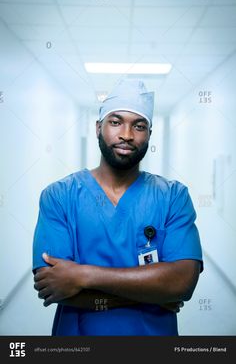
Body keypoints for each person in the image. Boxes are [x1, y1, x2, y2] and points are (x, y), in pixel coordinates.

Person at [33, 79, 203, 336]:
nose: (127, 134)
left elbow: (182, 282)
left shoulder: (173, 196)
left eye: (139, 125)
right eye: (116, 122)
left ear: (149, 134)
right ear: (98, 127)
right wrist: (153, 293)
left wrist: (83, 275)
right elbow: (53, 286)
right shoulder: (59, 196)